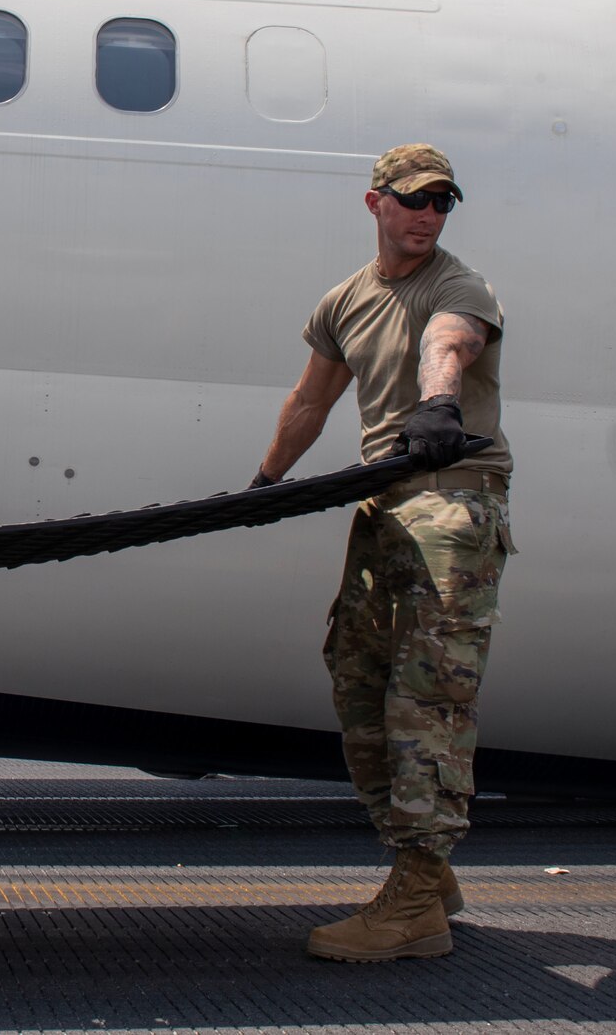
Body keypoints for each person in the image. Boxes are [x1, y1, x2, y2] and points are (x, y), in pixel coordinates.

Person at [251, 144, 514, 963]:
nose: (428, 215)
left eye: (441, 202)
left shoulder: (457, 286)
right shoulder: (347, 301)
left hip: (450, 503)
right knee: (357, 678)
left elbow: (449, 340)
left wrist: (439, 404)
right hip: (382, 502)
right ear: (376, 204)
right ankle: (424, 871)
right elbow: (310, 399)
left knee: (425, 695)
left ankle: (415, 896)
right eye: (413, 200)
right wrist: (266, 482)